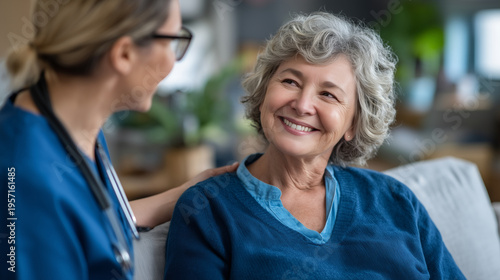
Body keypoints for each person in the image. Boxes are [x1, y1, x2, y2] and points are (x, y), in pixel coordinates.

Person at [164, 12, 465, 279]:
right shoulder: (208, 210)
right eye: (290, 82)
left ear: (353, 125)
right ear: (264, 92)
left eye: (328, 95)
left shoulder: (396, 201)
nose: (303, 104)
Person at [0, 0, 237, 279]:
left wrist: (190, 193)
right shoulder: (28, 180)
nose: (174, 61)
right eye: (173, 41)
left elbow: (91, 219)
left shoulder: (77, 128)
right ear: (124, 53)